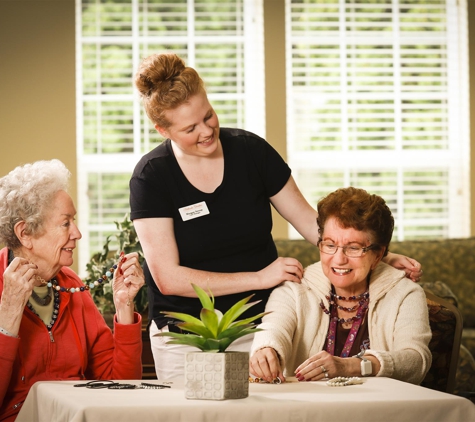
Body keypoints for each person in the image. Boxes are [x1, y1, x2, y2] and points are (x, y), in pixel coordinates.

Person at [130, 53, 423, 380]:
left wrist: (375, 256)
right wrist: (260, 277)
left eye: (208, 115)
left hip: (260, 326)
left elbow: (310, 222)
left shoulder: (251, 152)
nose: (206, 130)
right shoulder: (151, 177)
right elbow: (168, 277)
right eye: (190, 128)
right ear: (163, 129)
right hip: (185, 331)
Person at [0, 160, 145, 422]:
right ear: (25, 233)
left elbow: (123, 387)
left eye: (74, 221)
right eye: (65, 223)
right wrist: (8, 314)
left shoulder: (71, 285)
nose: (77, 233)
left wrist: (124, 306)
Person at [249, 187, 432, 385]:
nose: (338, 259)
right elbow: (273, 330)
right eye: (329, 245)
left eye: (353, 248)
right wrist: (266, 350)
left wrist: (351, 366)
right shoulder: (294, 290)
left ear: (378, 255)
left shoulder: (406, 293)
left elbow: (416, 361)